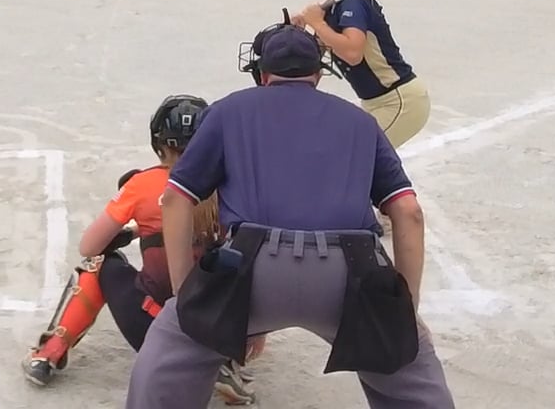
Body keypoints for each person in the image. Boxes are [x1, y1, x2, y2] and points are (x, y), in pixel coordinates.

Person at [122, 23, 456, 409]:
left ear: (263, 74)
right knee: (410, 367)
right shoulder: (360, 121)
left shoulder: (229, 110)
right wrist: (404, 312)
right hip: (350, 271)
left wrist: (186, 297)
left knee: (171, 352)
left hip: (252, 268)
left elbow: (176, 198)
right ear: (318, 74)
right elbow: (409, 212)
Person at [23, 95, 256, 404]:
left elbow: (89, 245)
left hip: (161, 326)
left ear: (160, 144)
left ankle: (48, 354)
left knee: (99, 262)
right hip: (224, 327)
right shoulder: (234, 182)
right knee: (237, 260)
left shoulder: (144, 184)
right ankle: (222, 361)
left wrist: (138, 229)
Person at [290, 0, 431, 146]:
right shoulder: (335, 8)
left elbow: (353, 53)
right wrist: (302, 31)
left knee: (353, 155)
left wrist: (317, 23)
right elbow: (318, 54)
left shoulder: (353, 4)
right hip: (376, 102)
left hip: (398, 101)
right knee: (354, 157)